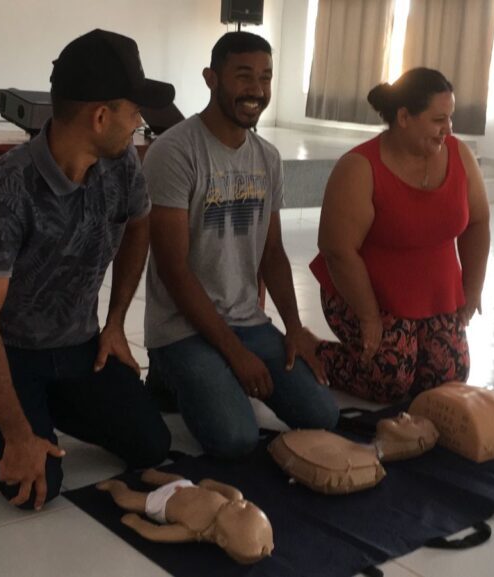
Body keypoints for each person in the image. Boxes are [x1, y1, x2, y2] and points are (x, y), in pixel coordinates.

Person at [0, 29, 172, 510]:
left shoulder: (121, 164)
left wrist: (114, 323)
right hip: (12, 352)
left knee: (151, 445)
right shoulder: (6, 188)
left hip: (79, 347)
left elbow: (139, 225)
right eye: (134, 111)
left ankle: (44, 405)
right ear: (100, 116)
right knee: (34, 487)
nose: (139, 123)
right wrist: (17, 435)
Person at [142, 31, 339, 459]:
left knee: (322, 414)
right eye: (244, 76)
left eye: (265, 77)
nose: (257, 90)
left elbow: (273, 253)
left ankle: (212, 375)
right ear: (211, 78)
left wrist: (294, 328)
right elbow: (174, 270)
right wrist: (233, 354)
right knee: (235, 439)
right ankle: (168, 373)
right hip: (182, 328)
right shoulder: (174, 152)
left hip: (248, 323)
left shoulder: (267, 157)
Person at [310, 67, 491, 404]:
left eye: (450, 118)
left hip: (433, 294)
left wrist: (473, 288)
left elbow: (478, 223)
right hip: (365, 293)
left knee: (448, 374)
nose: (448, 129)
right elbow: (337, 250)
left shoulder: (459, 155)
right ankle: (314, 352)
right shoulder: (359, 167)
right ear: (404, 117)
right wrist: (368, 316)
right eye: (438, 120)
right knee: (391, 377)